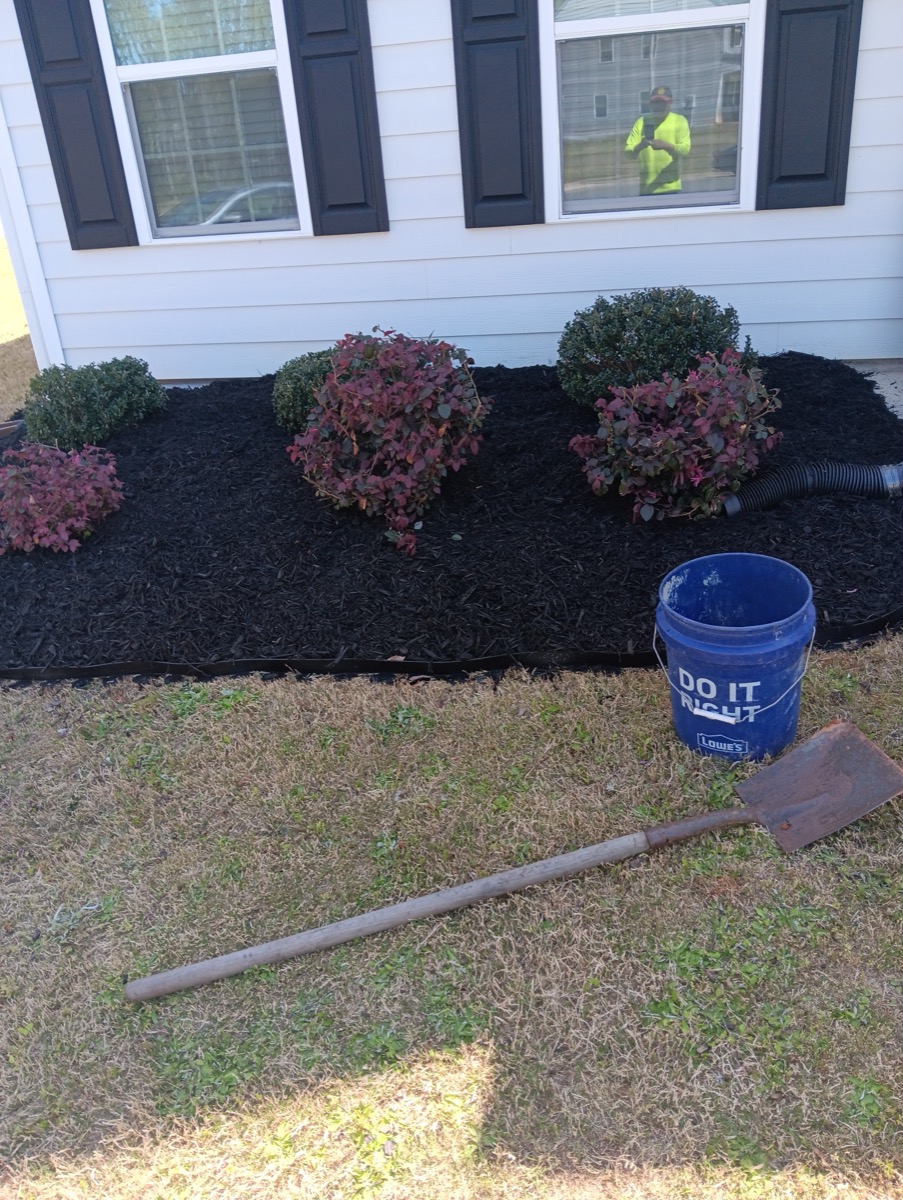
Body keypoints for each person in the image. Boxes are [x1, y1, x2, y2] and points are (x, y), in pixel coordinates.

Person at [624, 85, 691, 196]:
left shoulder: (679, 121)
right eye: (655, 103)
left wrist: (666, 146)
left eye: (662, 102)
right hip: (647, 190)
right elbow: (628, 153)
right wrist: (640, 146)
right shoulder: (641, 122)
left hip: (671, 188)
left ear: (670, 102)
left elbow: (685, 151)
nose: (658, 106)